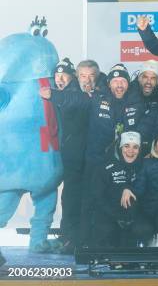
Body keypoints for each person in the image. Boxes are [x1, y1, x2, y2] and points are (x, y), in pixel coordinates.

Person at [41, 58, 84, 253]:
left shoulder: (74, 92)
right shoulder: (63, 92)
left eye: (63, 75)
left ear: (72, 76)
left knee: (73, 197)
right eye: (57, 76)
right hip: (68, 154)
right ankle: (68, 234)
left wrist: (53, 95)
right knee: (68, 196)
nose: (59, 79)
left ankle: (72, 239)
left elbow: (73, 100)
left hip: (77, 157)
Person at [91, 131, 153, 247]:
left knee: (145, 228)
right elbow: (97, 196)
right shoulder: (105, 166)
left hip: (133, 215)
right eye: (126, 146)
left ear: (139, 150)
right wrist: (115, 216)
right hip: (109, 213)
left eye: (135, 147)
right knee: (106, 231)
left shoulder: (143, 165)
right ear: (120, 147)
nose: (131, 151)